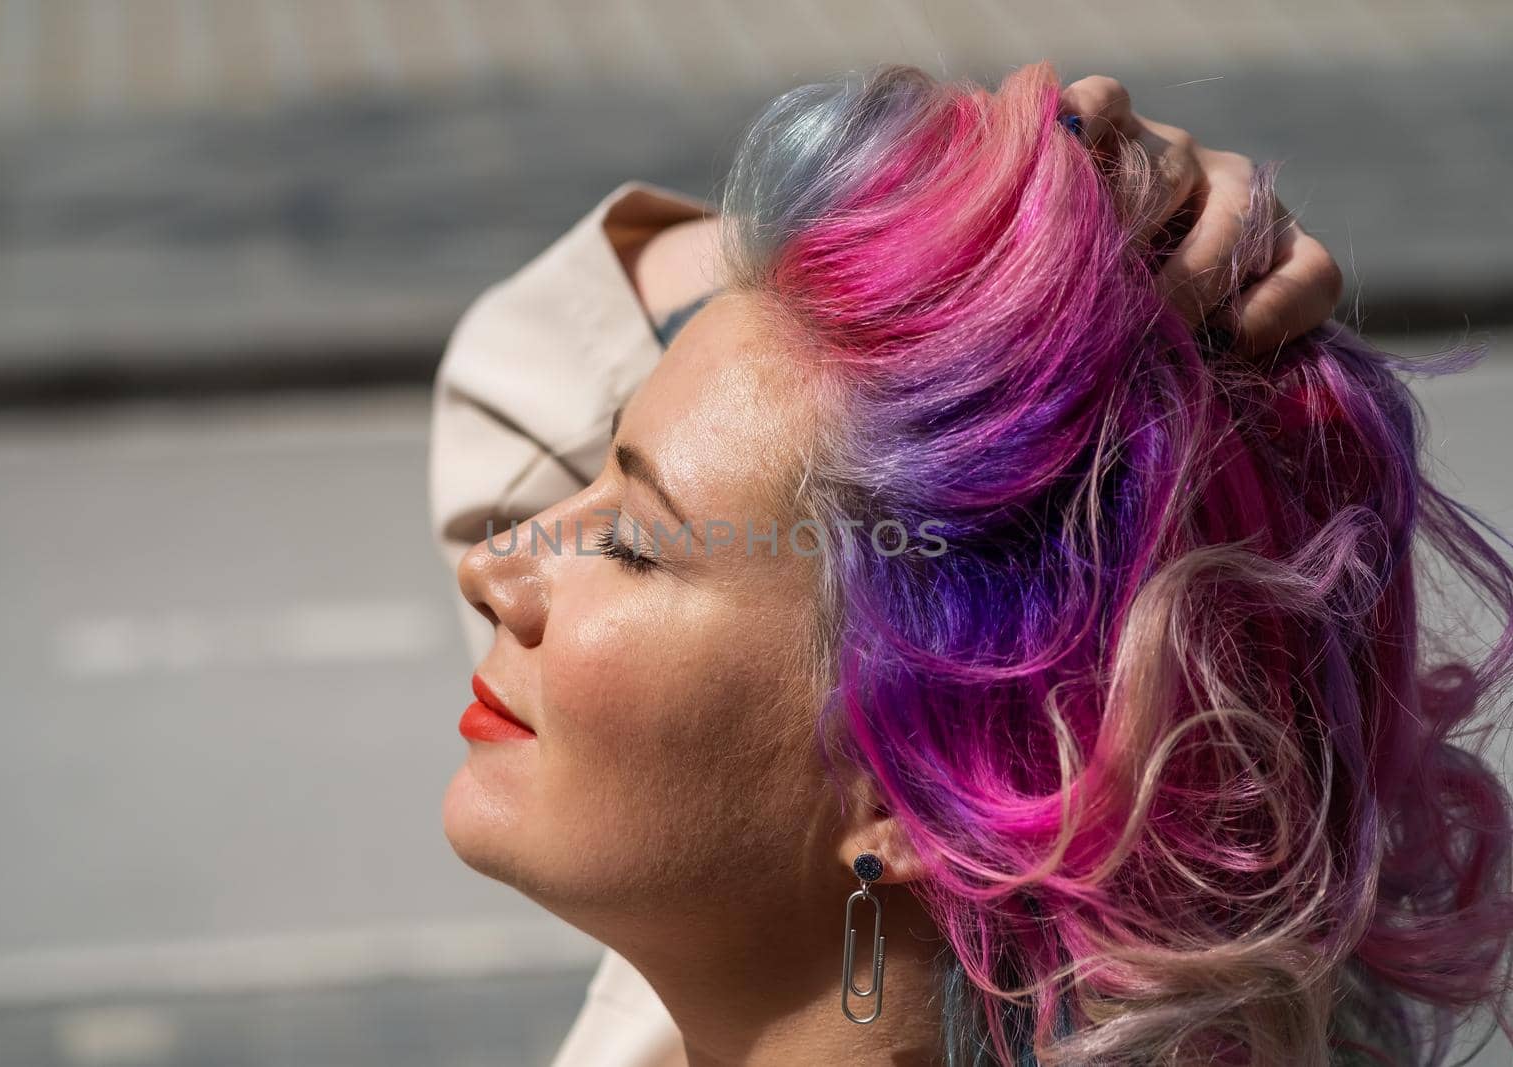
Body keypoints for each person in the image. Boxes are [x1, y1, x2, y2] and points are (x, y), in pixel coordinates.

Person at [431, 62, 1513, 1066]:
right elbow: (537, 358)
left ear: (920, 790)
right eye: (595, 486)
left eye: (629, 542)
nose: (494, 564)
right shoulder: (749, 957)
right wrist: (1052, 260)